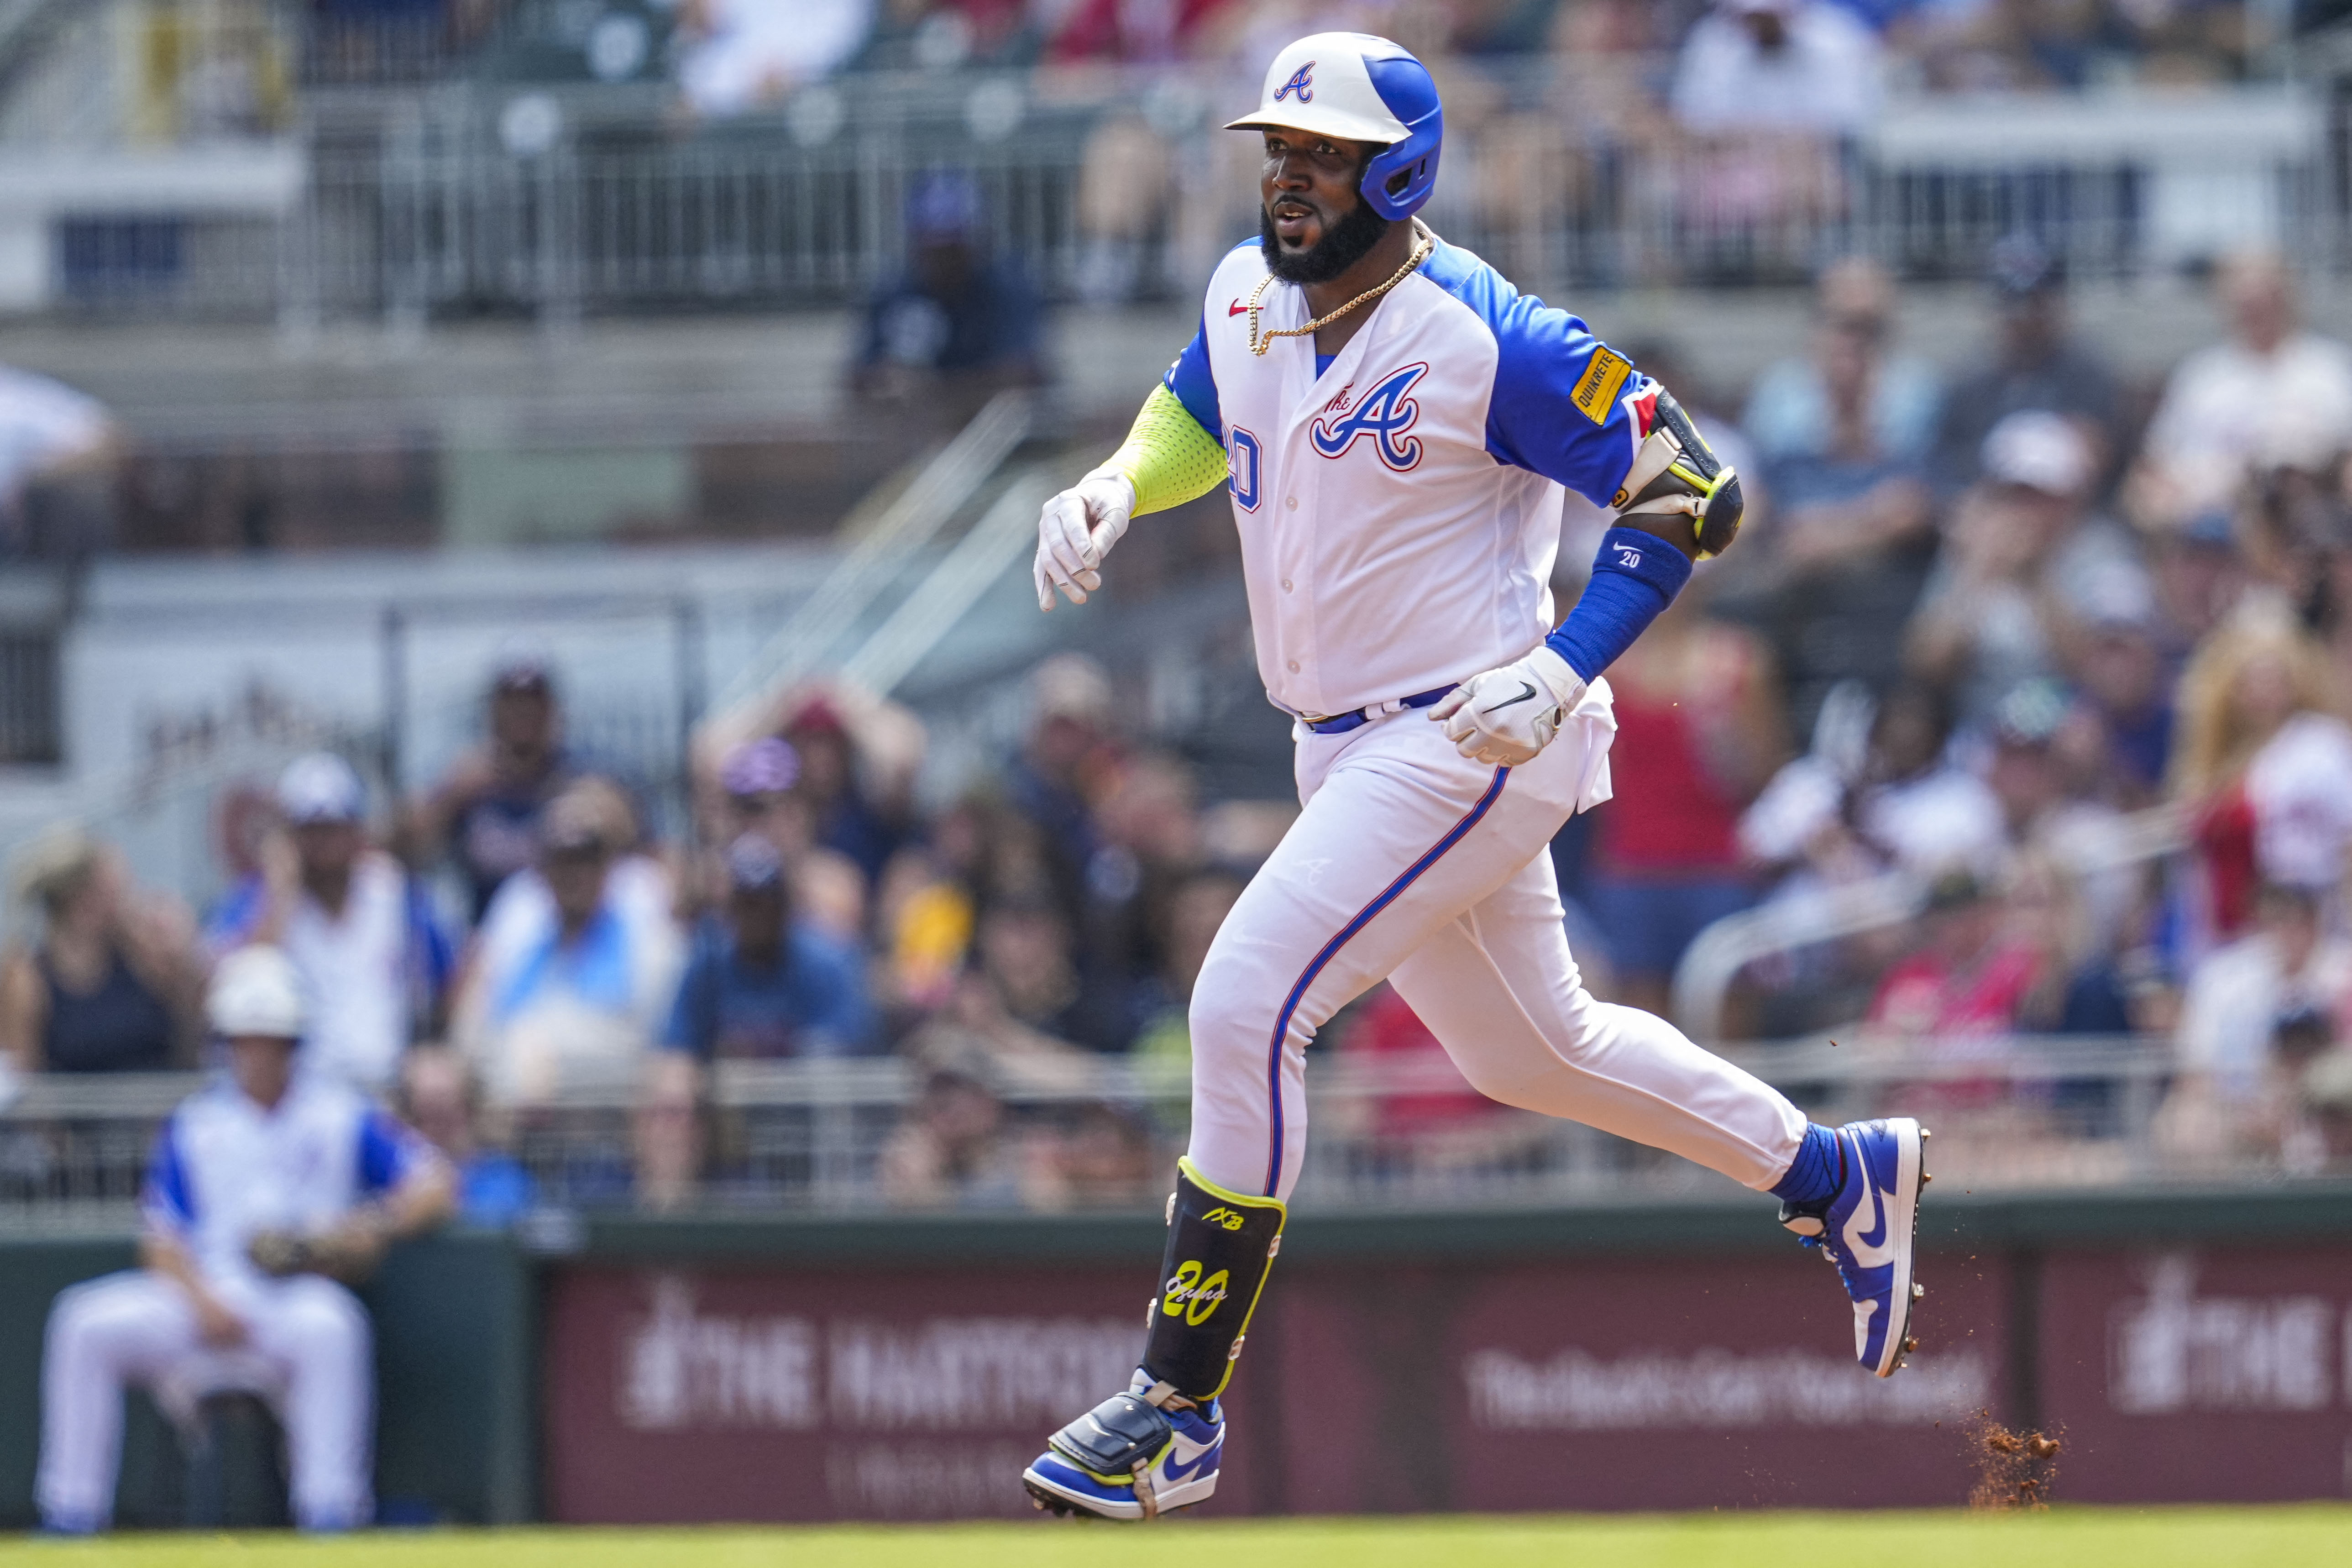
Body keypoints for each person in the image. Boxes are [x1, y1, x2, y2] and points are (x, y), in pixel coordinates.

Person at [1015, 32, 1930, 1525]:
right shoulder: (1247, 290)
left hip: (1471, 730)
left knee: (1244, 998)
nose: (1286, 176)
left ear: (1400, 171)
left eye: (1319, 154)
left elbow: (1691, 484)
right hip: (1343, 741)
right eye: (1276, 148)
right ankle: (1833, 1170)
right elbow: (1199, 403)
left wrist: (1567, 663)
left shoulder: (1479, 327)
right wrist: (1121, 478)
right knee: (1532, 1052)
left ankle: (1176, 1406)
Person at [34, 947, 454, 1534]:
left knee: (333, 1328)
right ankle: (70, 1514)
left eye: (271, 1037)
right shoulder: (196, 1122)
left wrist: (371, 1225)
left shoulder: (340, 1115)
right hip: (204, 1294)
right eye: (244, 1037)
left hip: (295, 1295)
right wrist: (203, 1300)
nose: (256, 1051)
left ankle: (330, 1513)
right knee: (83, 1321)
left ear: (294, 1041)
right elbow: (160, 1239)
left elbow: (434, 1180)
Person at [209, 753, 450, 1094]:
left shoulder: (394, 892)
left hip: (388, 1088)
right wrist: (280, 897)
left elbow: (445, 976)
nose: (325, 844)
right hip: (299, 1097)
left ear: (356, 829)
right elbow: (239, 990)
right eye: (312, 830)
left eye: (335, 828)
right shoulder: (261, 897)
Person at [451, 787, 685, 1106]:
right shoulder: (520, 930)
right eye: (559, 860)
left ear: (607, 865)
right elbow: (469, 1036)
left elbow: (661, 1045)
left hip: (609, 1114)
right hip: (518, 1120)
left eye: (585, 859)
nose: (572, 874)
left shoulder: (646, 935)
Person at [2129, 251, 2352, 530]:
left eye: (2265, 299)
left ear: (2287, 299)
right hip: (2213, 529)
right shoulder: (2201, 376)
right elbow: (2155, 466)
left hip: (2312, 524)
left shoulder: (2330, 370)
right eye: (2244, 302)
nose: (2255, 310)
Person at [1929, 232, 2122, 497]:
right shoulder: (1969, 381)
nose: (2025, 318)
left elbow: (2107, 468)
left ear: (2057, 303)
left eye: (2035, 303)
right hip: (1989, 508)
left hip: (2075, 512)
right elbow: (1950, 470)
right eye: (2013, 304)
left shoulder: (2088, 373)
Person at [850, 170, 1045, 424]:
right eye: (933, 248)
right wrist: (886, 381)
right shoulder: (896, 292)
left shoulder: (1007, 289)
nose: (943, 261)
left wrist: (933, 390)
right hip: (917, 439)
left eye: (953, 247)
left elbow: (1021, 378)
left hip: (1000, 438)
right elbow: (860, 379)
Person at [0, 832, 202, 1075]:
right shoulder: (27, 979)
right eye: (111, 889)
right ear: (78, 900)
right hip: (81, 1111)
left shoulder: (145, 953)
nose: (125, 899)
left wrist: (182, 960)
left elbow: (190, 1033)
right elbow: (26, 1082)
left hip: (162, 1108)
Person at [415, 654, 577, 924]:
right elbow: (404, 853)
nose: (523, 713)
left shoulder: (578, 778)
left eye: (533, 702)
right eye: (512, 702)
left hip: (567, 945)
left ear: (552, 709)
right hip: (488, 946)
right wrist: (449, 799)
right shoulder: (466, 780)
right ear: (493, 710)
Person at [1669, 0, 1884, 136]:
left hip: (1822, 167)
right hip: (1733, 167)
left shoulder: (1834, 36)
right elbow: (1695, 115)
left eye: (1769, 18)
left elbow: (1850, 115)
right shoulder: (1710, 42)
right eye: (1753, 19)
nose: (1761, 28)